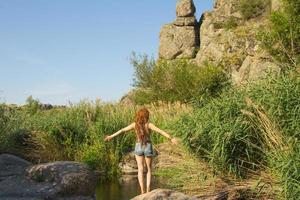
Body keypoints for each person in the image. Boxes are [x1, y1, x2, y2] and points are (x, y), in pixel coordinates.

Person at [104, 108, 177, 194]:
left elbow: (122, 130)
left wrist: (111, 136)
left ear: (138, 115)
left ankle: (142, 191)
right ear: (147, 116)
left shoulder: (134, 125)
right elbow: (160, 131)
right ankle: (148, 190)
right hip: (148, 145)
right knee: (149, 169)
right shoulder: (149, 124)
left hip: (138, 146)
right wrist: (171, 138)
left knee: (140, 169)